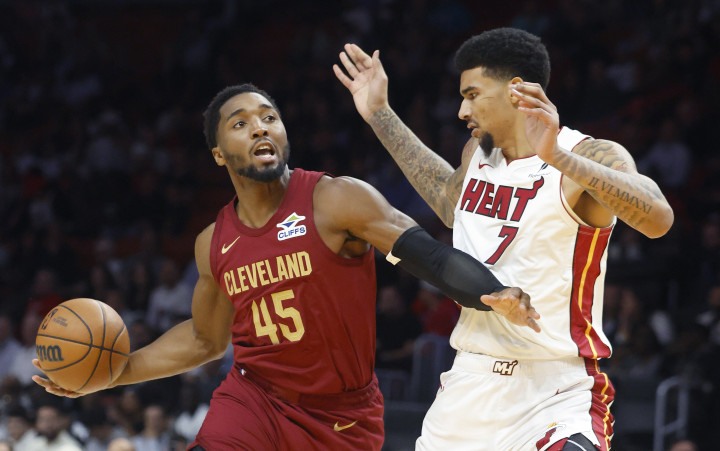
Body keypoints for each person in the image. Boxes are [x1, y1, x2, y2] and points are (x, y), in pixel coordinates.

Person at [33, 83, 541, 450]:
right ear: (218, 154)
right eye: (241, 123)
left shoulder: (337, 200)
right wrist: (111, 375)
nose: (260, 126)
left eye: (269, 117)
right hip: (254, 398)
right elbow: (205, 341)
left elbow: (429, 256)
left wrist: (493, 292)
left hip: (341, 416)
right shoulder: (213, 243)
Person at [334, 27, 674, 451]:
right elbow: (448, 201)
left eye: (473, 95)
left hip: (553, 390)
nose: (462, 110)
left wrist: (558, 157)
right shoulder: (476, 155)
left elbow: (658, 219)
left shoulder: (586, 154)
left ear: (516, 91)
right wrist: (380, 114)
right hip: (468, 385)